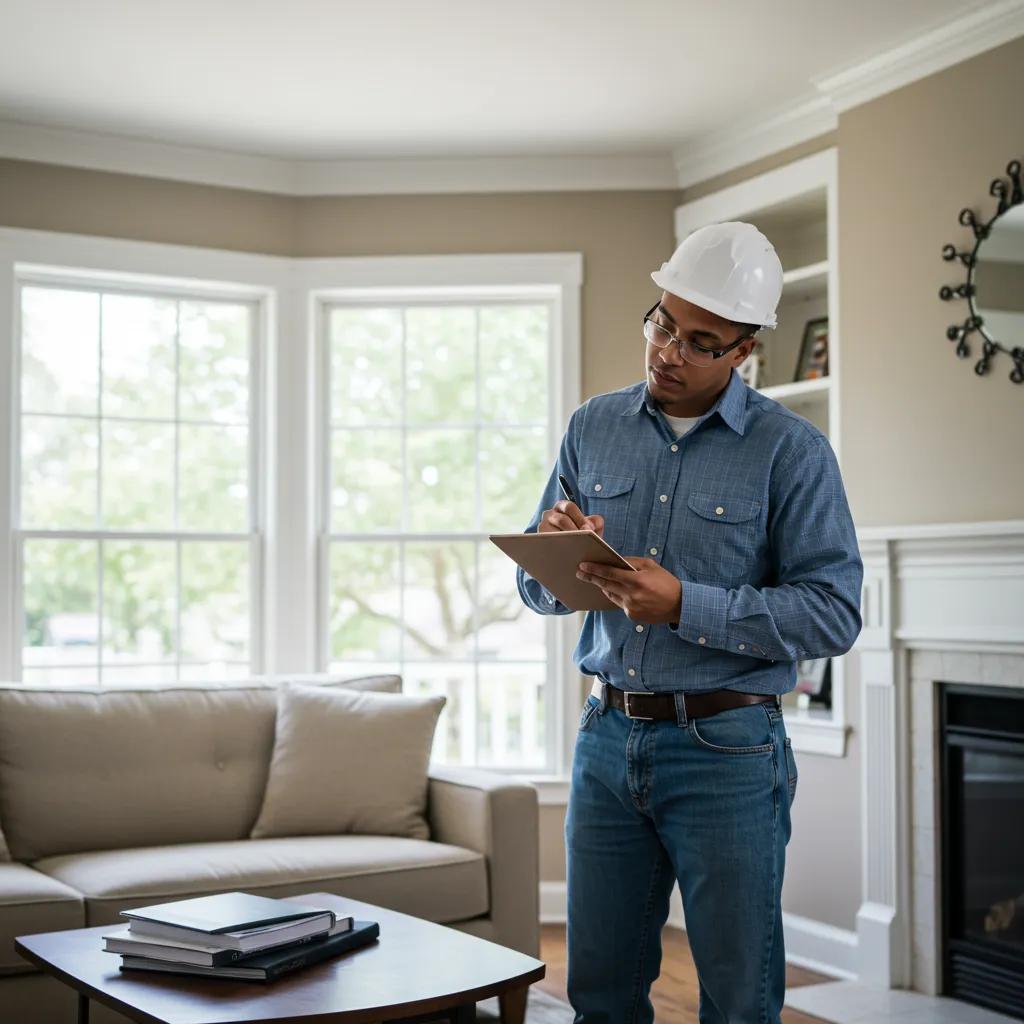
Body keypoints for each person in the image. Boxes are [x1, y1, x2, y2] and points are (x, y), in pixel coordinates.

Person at [515, 221, 864, 1023]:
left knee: (739, 1001)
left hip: (729, 752)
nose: (668, 351)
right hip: (605, 741)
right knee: (599, 997)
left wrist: (684, 605)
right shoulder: (592, 426)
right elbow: (537, 592)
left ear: (744, 351)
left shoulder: (792, 452)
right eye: (662, 324)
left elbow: (834, 612)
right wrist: (556, 558)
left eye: (700, 342)